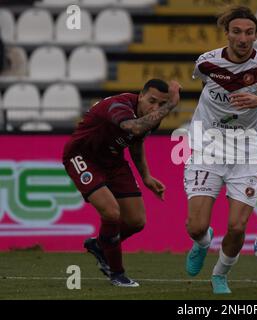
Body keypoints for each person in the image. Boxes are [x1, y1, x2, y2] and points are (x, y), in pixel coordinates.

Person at [184, 6, 257, 294]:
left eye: (250, 32)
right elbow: (207, 88)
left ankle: (220, 275)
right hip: (208, 148)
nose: (243, 38)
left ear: (256, 34)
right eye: (237, 32)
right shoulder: (205, 63)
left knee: (238, 227)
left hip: (247, 153)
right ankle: (203, 242)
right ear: (227, 33)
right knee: (195, 226)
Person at [63, 79, 181, 287]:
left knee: (136, 221)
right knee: (111, 213)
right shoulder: (119, 106)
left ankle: (100, 245)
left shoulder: (151, 117)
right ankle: (116, 273)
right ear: (141, 95)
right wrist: (170, 105)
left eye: (161, 104)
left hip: (113, 160)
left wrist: (146, 176)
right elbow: (134, 128)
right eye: (151, 101)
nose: (155, 108)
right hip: (83, 156)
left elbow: (136, 142)